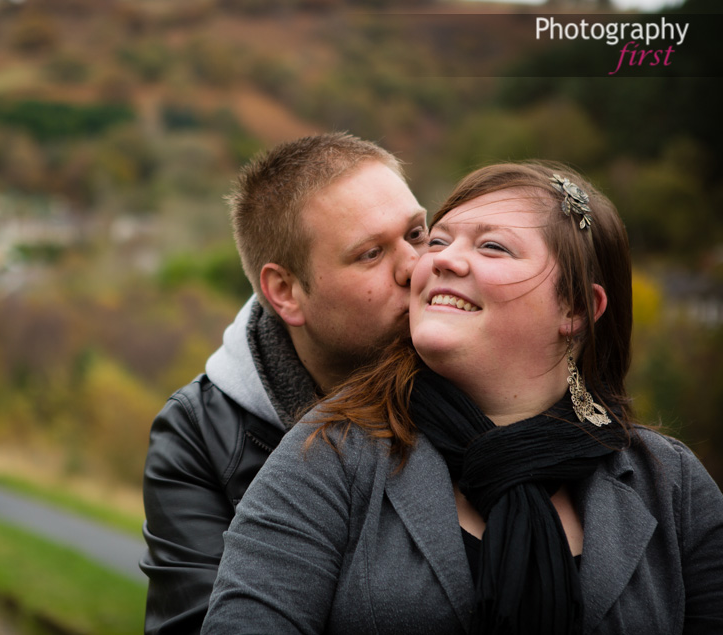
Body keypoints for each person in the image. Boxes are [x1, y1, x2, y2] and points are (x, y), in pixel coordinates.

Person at [203, 162, 723, 634]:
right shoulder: (326, 455)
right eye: (438, 240)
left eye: (492, 246)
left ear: (577, 308)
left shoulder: (673, 486)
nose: (441, 261)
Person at [140, 133, 429, 633]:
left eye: (418, 233)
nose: (415, 267)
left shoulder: (480, 374)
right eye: (370, 254)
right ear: (285, 291)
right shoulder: (199, 436)